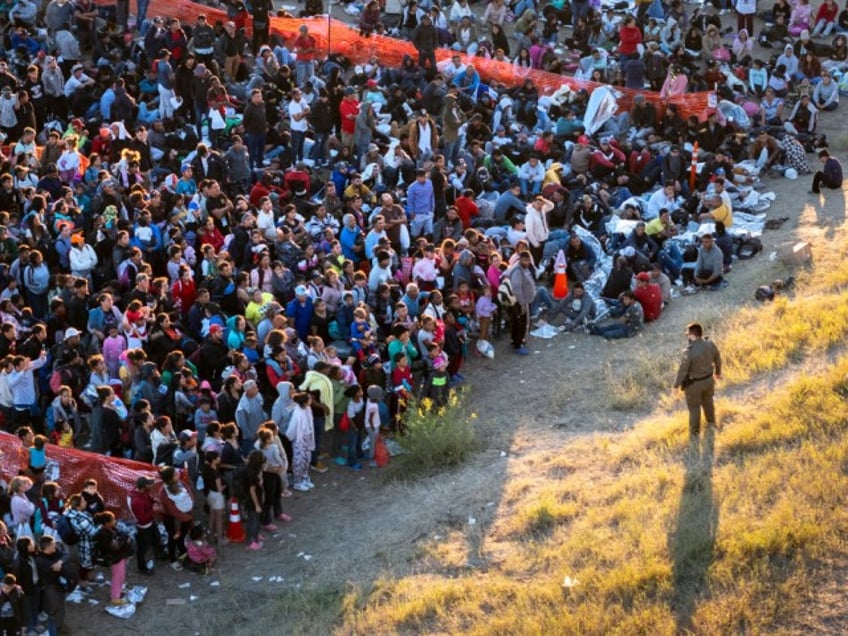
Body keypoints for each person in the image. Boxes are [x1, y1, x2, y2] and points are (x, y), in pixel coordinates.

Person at [673, 322, 722, 438]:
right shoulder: (710, 344)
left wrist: (676, 386)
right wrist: (718, 373)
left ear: (692, 335)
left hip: (694, 385)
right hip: (709, 381)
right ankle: (711, 423)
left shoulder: (688, 351)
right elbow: (718, 358)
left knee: (694, 408)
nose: (687, 337)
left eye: (688, 335)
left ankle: (694, 434)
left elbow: (682, 370)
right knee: (708, 403)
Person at [93, 511, 132, 606]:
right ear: (106, 523)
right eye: (113, 520)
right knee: (117, 577)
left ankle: (118, 591)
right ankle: (115, 597)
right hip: (115, 558)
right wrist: (125, 542)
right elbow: (114, 548)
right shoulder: (103, 534)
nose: (115, 521)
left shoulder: (111, 529)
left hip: (120, 557)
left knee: (121, 575)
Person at [507, 250, 536, 355]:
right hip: (520, 302)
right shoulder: (518, 271)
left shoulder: (525, 268)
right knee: (521, 323)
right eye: (525, 260)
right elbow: (516, 288)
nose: (527, 262)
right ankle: (518, 344)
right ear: (520, 260)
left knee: (518, 322)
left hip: (525, 300)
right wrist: (522, 304)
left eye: (528, 260)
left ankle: (515, 341)